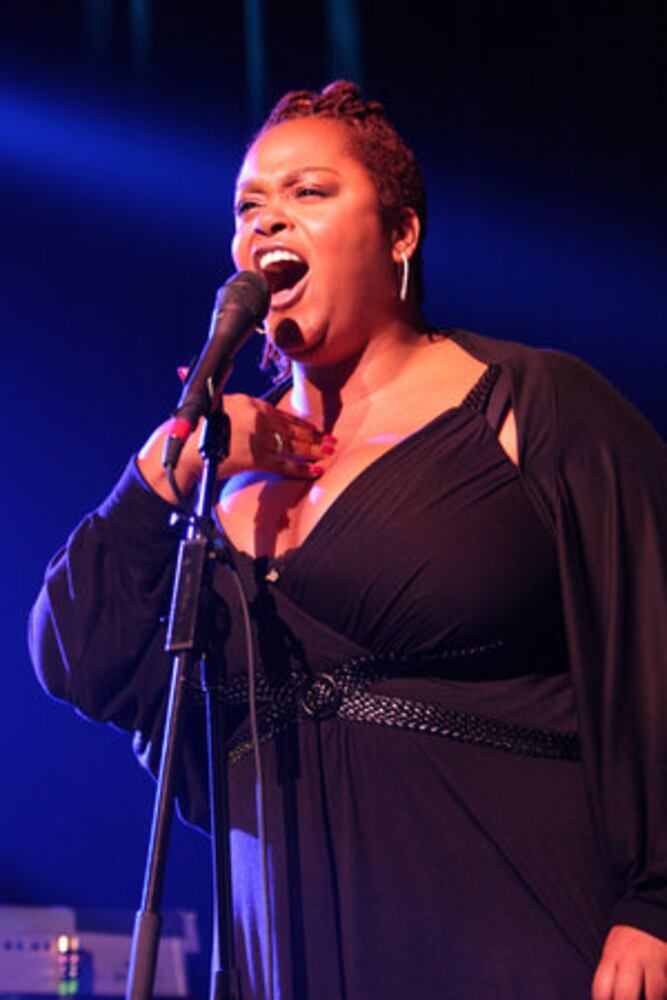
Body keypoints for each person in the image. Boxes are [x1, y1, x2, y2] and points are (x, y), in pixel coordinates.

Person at [29, 81, 667, 999]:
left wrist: (656, 902)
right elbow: (75, 657)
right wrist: (167, 466)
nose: (267, 220)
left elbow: (653, 637)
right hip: (284, 957)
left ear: (400, 234)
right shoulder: (211, 475)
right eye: (248, 205)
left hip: (515, 931)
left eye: (309, 192)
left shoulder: (532, 406)